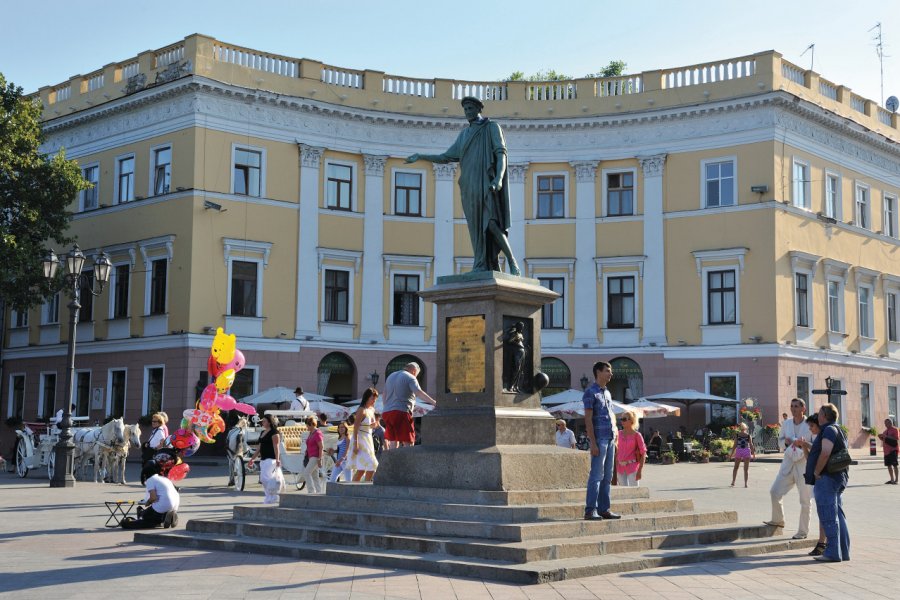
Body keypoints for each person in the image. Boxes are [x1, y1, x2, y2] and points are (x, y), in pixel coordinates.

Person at [405, 96, 520, 275]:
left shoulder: (491, 128)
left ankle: (512, 262)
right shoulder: (464, 135)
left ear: (478, 108)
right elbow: (445, 157)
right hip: (469, 188)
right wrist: (420, 156)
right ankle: (481, 263)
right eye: (465, 109)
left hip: (486, 184)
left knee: (491, 223)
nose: (467, 112)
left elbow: (501, 154)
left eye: (470, 108)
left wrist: (498, 178)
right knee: (475, 229)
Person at [806, 403, 850, 562]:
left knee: (828, 514)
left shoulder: (829, 430)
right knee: (837, 514)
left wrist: (817, 471)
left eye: (819, 413)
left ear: (824, 416)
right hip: (837, 477)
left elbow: (825, 453)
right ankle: (843, 551)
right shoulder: (837, 429)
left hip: (828, 477)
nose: (817, 416)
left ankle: (832, 552)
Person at [765, 398, 813, 539]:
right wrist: (786, 442)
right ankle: (778, 520)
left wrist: (802, 444)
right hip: (788, 463)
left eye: (797, 406)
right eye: (792, 406)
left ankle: (802, 531)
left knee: (805, 500)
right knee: (775, 492)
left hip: (803, 465)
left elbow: (815, 443)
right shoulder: (786, 423)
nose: (793, 409)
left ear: (803, 408)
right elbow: (780, 442)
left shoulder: (810, 424)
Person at [582, 361, 620, 521]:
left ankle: (604, 509)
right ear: (598, 372)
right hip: (600, 439)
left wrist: (616, 435)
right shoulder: (590, 392)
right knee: (596, 475)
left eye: (610, 371)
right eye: (607, 371)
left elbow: (611, 416)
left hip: (610, 438)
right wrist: (593, 442)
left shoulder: (607, 393)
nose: (610, 374)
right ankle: (590, 510)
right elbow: (588, 419)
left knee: (607, 476)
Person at [382, 362, 436, 450]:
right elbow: (418, 392)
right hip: (401, 411)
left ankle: (393, 462)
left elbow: (384, 394)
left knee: (393, 441)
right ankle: (409, 462)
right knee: (408, 440)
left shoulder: (391, 376)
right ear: (414, 371)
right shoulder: (410, 377)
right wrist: (433, 402)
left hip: (387, 412)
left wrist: (387, 407)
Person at [121, 462, 180, 529]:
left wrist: (148, 503)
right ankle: (167, 517)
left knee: (145, 516)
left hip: (165, 505)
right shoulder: (164, 479)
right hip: (175, 505)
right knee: (151, 513)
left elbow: (153, 498)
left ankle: (160, 520)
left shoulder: (151, 480)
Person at [804, 415, 828, 557]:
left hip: (822, 478)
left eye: (812, 426)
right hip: (816, 479)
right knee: (821, 511)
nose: (810, 428)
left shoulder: (822, 438)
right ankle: (822, 542)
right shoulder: (816, 438)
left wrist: (817, 472)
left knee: (824, 512)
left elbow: (822, 454)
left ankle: (822, 543)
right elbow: (809, 459)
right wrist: (805, 447)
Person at [248, 414, 284, 504]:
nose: (262, 422)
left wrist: (277, 459)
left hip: (271, 459)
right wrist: (252, 459)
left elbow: (276, 447)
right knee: (265, 479)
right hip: (263, 459)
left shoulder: (274, 433)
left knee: (264, 478)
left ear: (269, 422)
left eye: (264, 421)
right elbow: (259, 448)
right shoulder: (262, 432)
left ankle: (274, 495)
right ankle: (269, 497)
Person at [348, 388, 379, 482]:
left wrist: (375, 424)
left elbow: (375, 424)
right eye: (372, 398)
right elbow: (355, 428)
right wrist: (355, 444)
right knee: (372, 465)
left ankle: (360, 488)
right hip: (361, 440)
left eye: (375, 399)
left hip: (368, 439)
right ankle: (358, 488)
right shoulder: (361, 410)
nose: (374, 401)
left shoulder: (371, 410)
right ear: (367, 398)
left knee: (363, 469)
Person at [615, 410, 646, 487]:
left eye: (624, 419)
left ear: (632, 420)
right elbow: (616, 451)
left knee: (634, 491)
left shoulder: (637, 435)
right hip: (619, 467)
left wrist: (640, 470)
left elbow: (643, 453)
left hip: (633, 466)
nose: (622, 421)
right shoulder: (618, 434)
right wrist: (614, 469)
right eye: (621, 419)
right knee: (623, 491)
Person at [300, 415, 325, 494]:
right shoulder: (311, 433)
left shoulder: (317, 433)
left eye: (307, 425)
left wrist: (319, 459)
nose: (306, 427)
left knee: (306, 473)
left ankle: (311, 491)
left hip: (315, 456)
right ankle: (319, 492)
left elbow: (321, 447)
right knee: (315, 476)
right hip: (311, 456)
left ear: (311, 424)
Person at [729, 422, 756, 487]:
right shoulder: (748, 435)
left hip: (739, 450)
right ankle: (746, 484)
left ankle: (733, 481)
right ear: (745, 428)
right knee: (746, 469)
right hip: (746, 450)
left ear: (740, 428)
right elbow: (751, 445)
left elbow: (735, 445)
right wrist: (753, 454)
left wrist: (731, 454)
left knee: (736, 467)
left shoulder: (737, 435)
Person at [503, 321, 527, 392]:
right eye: (521, 327)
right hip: (517, 352)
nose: (522, 328)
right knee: (516, 369)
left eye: (522, 327)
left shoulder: (520, 334)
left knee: (520, 371)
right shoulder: (514, 333)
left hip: (522, 352)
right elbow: (510, 341)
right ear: (518, 327)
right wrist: (518, 344)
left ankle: (516, 386)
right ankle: (510, 386)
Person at [877, 417, 899, 484]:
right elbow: (884, 440)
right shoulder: (885, 431)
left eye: (887, 423)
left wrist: (886, 436)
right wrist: (880, 437)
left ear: (891, 423)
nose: (886, 424)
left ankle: (896, 480)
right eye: (885, 423)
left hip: (893, 449)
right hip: (886, 451)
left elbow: (896, 438)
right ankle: (891, 479)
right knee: (889, 465)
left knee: (895, 465)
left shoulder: (895, 430)